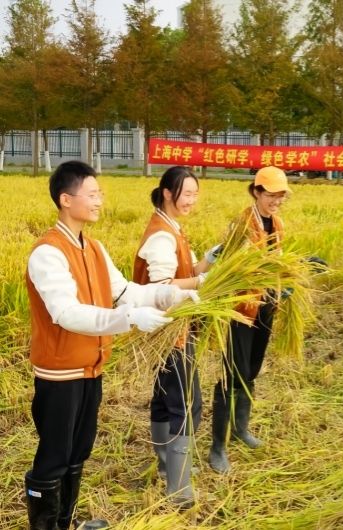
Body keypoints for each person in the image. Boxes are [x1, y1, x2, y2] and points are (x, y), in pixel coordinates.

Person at [25, 161, 196, 529]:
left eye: (100, 193)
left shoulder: (95, 248)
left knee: (78, 452)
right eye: (92, 193)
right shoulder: (48, 252)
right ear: (66, 199)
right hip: (60, 373)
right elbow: (66, 313)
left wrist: (175, 295)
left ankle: (65, 523)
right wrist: (128, 319)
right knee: (54, 457)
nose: (100, 200)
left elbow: (126, 292)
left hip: (91, 367)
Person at [133, 166, 213, 507]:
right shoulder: (162, 236)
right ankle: (179, 490)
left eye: (196, 194)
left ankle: (168, 470)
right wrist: (200, 284)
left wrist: (208, 263)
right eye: (187, 193)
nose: (192, 200)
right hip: (170, 332)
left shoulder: (172, 230)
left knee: (166, 399)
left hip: (171, 328)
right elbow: (161, 286)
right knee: (186, 403)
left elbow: (186, 273)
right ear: (168, 193)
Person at [208, 167, 288, 474]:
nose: (276, 201)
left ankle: (241, 429)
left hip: (266, 307)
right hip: (242, 309)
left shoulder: (277, 223)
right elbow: (229, 265)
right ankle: (218, 447)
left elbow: (277, 262)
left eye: (280, 196)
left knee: (251, 370)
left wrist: (283, 284)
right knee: (232, 374)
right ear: (256, 192)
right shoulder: (241, 224)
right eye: (270, 195)